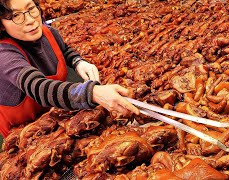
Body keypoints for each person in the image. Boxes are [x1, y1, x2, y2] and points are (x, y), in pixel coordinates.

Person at [0, 0, 140, 138]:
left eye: (31, 8)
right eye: (16, 16)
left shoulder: (46, 32)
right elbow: (38, 87)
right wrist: (93, 93)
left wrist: (77, 61)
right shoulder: (4, 55)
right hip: (26, 135)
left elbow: (63, 49)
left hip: (60, 119)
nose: (30, 20)